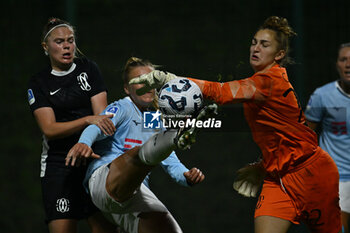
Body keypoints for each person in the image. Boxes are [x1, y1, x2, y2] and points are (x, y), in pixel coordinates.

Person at [130, 16, 342, 233]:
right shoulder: (262, 83)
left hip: (313, 176)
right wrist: (264, 165)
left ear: (279, 55)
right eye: (254, 42)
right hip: (277, 179)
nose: (256, 48)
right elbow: (287, 135)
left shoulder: (268, 82)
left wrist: (168, 79)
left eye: (264, 44)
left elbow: (220, 92)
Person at [65, 57, 205, 233]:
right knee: (138, 155)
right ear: (127, 89)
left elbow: (170, 161)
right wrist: (84, 143)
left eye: (151, 79)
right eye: (139, 80)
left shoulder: (154, 120)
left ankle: (174, 135)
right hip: (103, 183)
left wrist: (186, 175)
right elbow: (97, 126)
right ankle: (175, 135)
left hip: (133, 195)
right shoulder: (122, 107)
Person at [27, 17, 118, 233]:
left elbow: (102, 118)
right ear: (45, 47)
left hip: (93, 162)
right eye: (59, 42)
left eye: (70, 40)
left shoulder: (89, 69)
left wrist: (88, 139)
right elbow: (49, 129)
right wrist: (87, 120)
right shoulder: (39, 83)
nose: (67, 46)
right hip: (59, 166)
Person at [305, 42, 350, 233]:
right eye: (343, 59)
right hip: (337, 179)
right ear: (337, 65)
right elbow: (305, 137)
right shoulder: (322, 96)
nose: (348, 64)